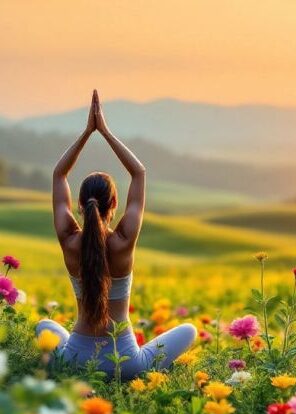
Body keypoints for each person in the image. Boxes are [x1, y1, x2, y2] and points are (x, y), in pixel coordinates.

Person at [36, 90, 196, 380]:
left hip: (75, 361)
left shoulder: (69, 239)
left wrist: (87, 132)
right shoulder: (123, 242)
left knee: (43, 326)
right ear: (113, 204)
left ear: (81, 206)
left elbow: (59, 175)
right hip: (125, 365)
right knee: (190, 330)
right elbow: (139, 173)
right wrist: (105, 132)